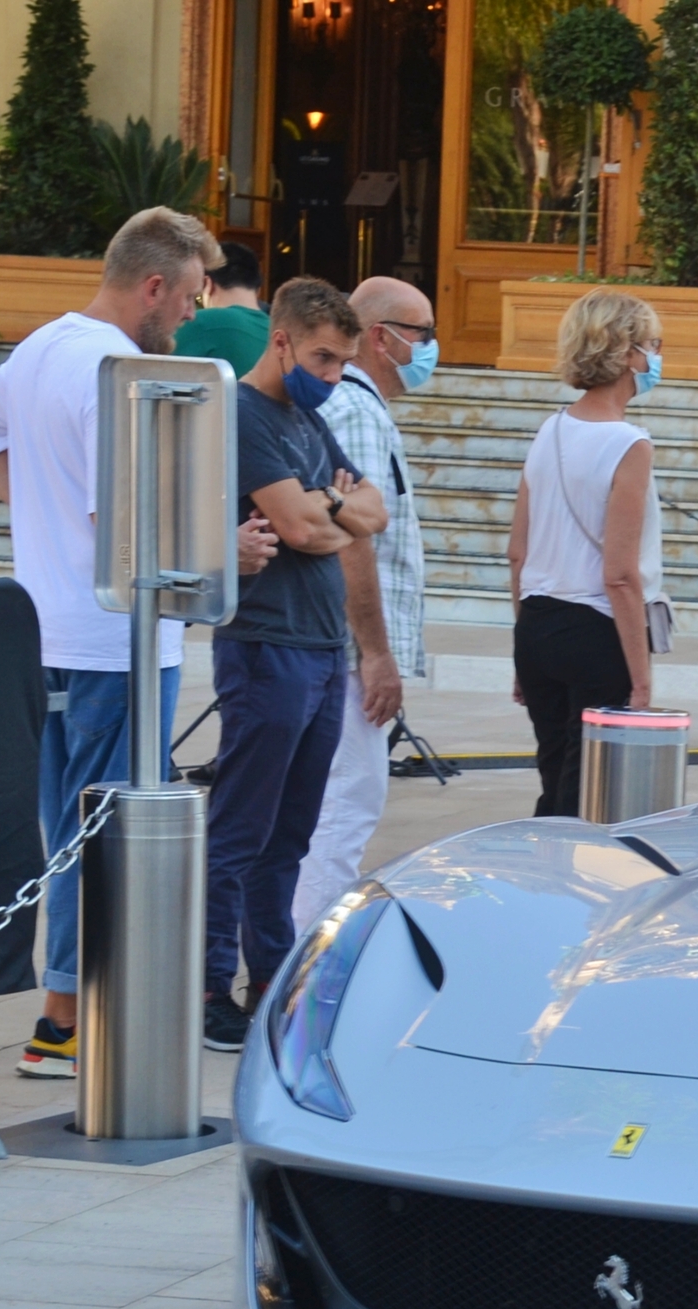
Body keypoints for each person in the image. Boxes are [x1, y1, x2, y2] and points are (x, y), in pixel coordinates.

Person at [0, 207, 230, 1077]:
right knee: (100, 831)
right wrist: (233, 555)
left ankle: (71, 1008)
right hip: (118, 639)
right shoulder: (115, 371)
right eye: (186, 299)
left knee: (64, 823)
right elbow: (132, 522)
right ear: (152, 285)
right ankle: (66, 1018)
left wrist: (34, 507)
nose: (189, 316)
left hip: (46, 630)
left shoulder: (43, 347)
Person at [204, 277, 387, 1050]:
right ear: (280, 341)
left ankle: (269, 980)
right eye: (322, 357)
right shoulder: (244, 415)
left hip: (319, 649)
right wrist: (329, 508)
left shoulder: (307, 420)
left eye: (345, 361)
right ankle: (210, 987)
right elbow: (304, 530)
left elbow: (373, 511)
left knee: (292, 834)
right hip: (266, 644)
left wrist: (328, 506)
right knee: (241, 827)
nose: (333, 374)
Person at [291, 277, 437, 931]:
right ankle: (304, 967)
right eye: (423, 334)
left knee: (337, 805)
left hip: (343, 648)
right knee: (343, 808)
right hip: (349, 653)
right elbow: (353, 538)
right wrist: (376, 654)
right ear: (383, 338)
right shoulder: (355, 409)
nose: (432, 349)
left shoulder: (358, 407)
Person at [510, 288, 665, 817]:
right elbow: (620, 575)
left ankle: (540, 878)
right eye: (651, 345)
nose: (655, 358)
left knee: (555, 776)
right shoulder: (629, 443)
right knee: (590, 796)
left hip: (536, 624)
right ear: (626, 353)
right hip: (595, 632)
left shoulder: (549, 430)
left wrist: (521, 642)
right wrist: (641, 679)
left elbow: (517, 551)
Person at [173, 241, 270, 376]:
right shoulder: (280, 333)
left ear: (207, 284)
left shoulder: (201, 322)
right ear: (258, 290)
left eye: (196, 297)